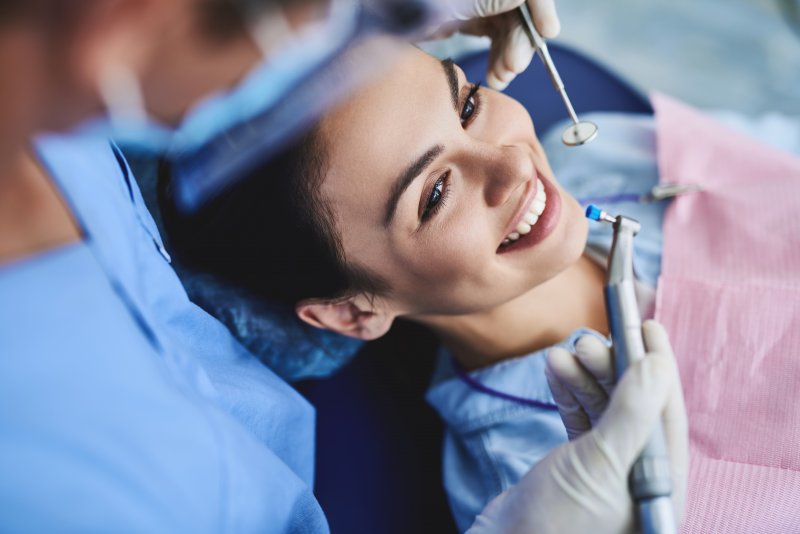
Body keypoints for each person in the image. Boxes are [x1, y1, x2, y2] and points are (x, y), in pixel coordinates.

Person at [0, 1, 686, 532]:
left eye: (467, 100)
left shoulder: (631, 159)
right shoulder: (68, 459)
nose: (509, 163)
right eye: (435, 195)